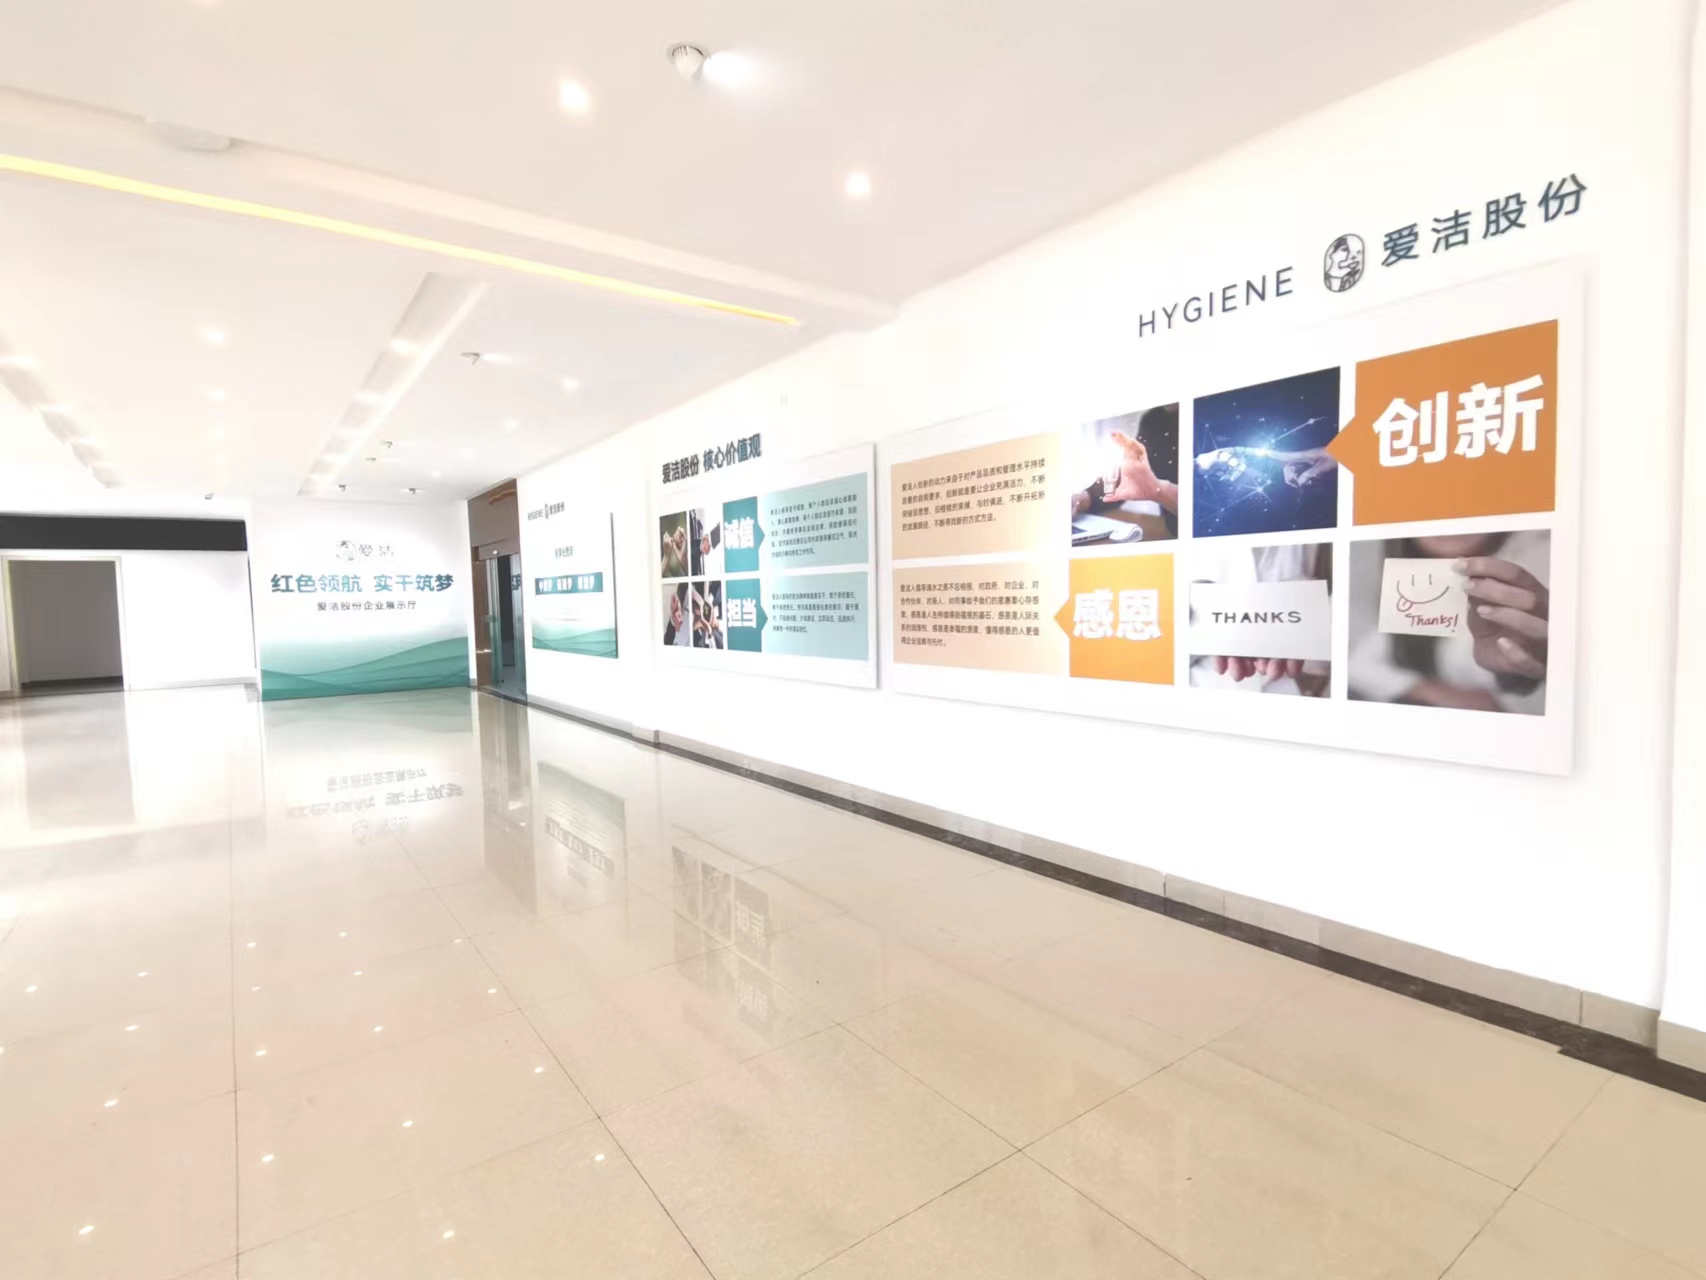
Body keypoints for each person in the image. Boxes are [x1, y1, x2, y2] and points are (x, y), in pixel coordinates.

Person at [1349, 530, 1549, 712]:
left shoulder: (1536, 558)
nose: (1449, 525)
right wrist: (1433, 691)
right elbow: (1358, 665)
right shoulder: (1419, 583)